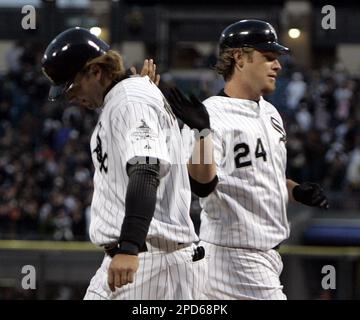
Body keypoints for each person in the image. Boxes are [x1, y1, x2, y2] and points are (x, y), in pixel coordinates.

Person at [168, 19, 329, 300]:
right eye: (268, 58)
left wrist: (295, 190)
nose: (277, 66)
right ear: (240, 59)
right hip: (234, 257)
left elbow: (261, 176)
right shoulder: (209, 115)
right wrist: (202, 133)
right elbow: (202, 185)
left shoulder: (270, 113)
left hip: (262, 257)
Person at [41, 27, 206, 300]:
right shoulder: (126, 98)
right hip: (144, 257)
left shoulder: (129, 100)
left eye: (72, 85)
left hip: (148, 259)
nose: (70, 96)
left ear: (95, 71)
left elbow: (146, 168)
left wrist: (129, 246)